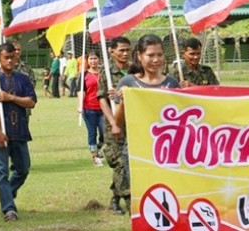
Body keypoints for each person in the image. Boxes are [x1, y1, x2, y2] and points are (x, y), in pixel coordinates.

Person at [114, 34, 181, 213]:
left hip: (167, 150)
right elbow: (118, 123)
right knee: (142, 198)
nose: (156, 59)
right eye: (150, 55)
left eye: (159, 55)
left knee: (168, 194)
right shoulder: (128, 83)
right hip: (137, 151)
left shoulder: (172, 83)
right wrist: (123, 102)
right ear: (140, 56)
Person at [0, 42, 37, 222]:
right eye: (6, 57)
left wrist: (10, 97)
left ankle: (8, 192)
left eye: (12, 57)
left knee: (23, 168)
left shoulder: (23, 78)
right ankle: (9, 209)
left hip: (19, 129)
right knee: (1, 171)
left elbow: (31, 102)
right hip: (1, 131)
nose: (10, 61)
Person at [97, 36, 131, 215]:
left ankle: (114, 200)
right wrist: (113, 123)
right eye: (121, 50)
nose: (125, 54)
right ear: (112, 51)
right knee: (119, 162)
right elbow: (102, 100)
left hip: (132, 122)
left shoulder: (134, 70)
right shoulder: (107, 73)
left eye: (127, 50)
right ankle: (129, 200)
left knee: (128, 163)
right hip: (114, 126)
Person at [77, 51, 104, 166]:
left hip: (103, 109)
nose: (93, 61)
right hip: (89, 109)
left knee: (105, 132)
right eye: (91, 59)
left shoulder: (103, 74)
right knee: (92, 133)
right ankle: (95, 157)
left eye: (95, 58)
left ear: (99, 60)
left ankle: (97, 148)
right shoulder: (84, 75)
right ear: (87, 61)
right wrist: (79, 105)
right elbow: (81, 91)